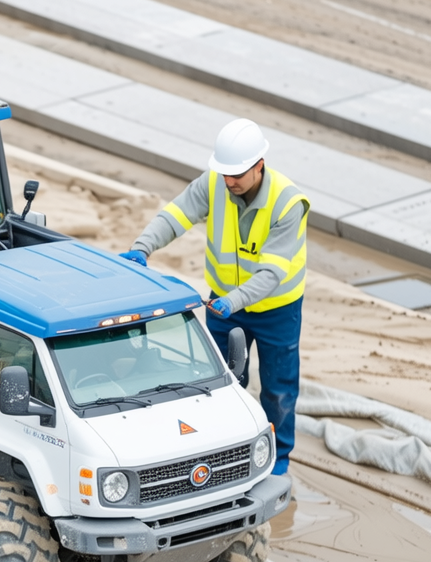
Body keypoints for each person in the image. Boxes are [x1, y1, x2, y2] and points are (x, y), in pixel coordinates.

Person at [121, 119, 307, 475]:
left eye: (237, 173)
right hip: (224, 305)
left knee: (279, 390)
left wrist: (232, 302)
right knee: (219, 384)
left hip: (276, 310)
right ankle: (224, 451)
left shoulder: (288, 203)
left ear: (259, 165)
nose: (229, 181)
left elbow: (271, 274)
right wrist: (142, 248)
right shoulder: (214, 183)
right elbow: (176, 215)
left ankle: (278, 461)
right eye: (224, 172)